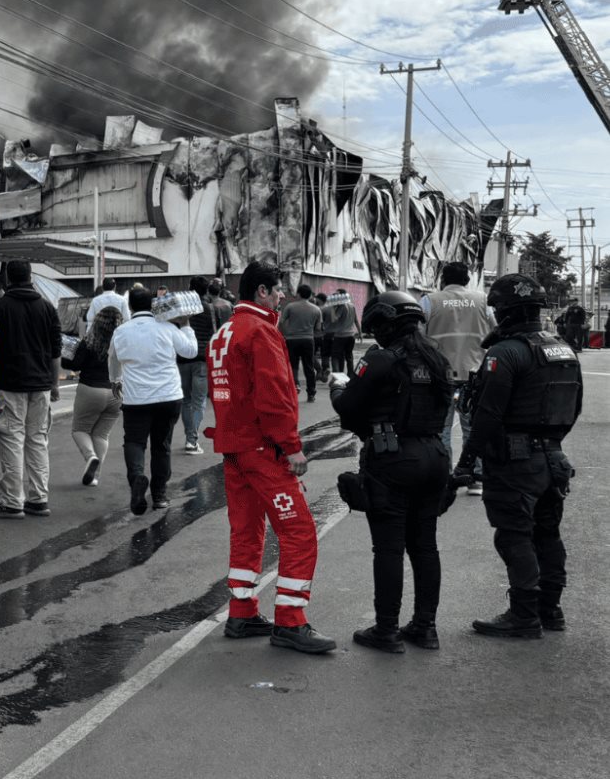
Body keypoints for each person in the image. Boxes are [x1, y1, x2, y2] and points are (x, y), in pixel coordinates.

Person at [207, 260, 335, 654]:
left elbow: (224, 393)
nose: (282, 295)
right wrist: (292, 446)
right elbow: (275, 393)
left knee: (247, 531)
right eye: (278, 289)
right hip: (262, 449)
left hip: (233, 448)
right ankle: (291, 622)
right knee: (298, 532)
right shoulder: (260, 331)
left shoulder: (223, 332)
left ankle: (242, 612)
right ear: (261, 291)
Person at [454, 274, 583, 638]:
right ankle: (550, 610)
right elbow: (574, 408)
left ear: (506, 312)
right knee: (547, 533)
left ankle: (524, 614)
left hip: (515, 461)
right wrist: (550, 443)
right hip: (553, 458)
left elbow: (488, 416)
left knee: (513, 535)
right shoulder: (563, 349)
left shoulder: (505, 352)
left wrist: (467, 463)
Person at [330, 291, 454, 652]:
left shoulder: (381, 360)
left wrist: (339, 390)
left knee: (388, 548)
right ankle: (425, 627)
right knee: (425, 546)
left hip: (393, 458)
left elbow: (349, 410)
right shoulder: (435, 357)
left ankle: (387, 630)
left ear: (385, 324)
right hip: (435, 455)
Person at [0, 260, 62, 520]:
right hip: (41, 386)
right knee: (38, 440)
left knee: (12, 440)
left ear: (8, 278)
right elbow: (56, 351)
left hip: (11, 385)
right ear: (30, 277)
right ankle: (39, 499)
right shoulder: (48, 308)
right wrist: (54, 384)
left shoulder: (1, 307)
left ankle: (12, 502)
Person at [110, 287, 196, 514]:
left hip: (136, 397)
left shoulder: (121, 332)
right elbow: (190, 351)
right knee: (162, 446)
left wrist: (115, 380)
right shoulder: (167, 327)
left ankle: (137, 477)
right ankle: (159, 495)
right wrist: (186, 324)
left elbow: (113, 360)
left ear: (130, 307)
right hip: (168, 396)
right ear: (152, 305)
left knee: (134, 442)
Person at [421, 261, 495, 496]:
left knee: (440, 429)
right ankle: (475, 478)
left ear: (443, 279)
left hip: (439, 375)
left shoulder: (429, 300)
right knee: (473, 428)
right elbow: (497, 331)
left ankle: (443, 478)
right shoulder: (483, 301)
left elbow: (418, 335)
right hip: (475, 375)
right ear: (467, 280)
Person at [62, 306, 124, 487]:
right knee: (102, 435)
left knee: (79, 430)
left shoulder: (88, 343)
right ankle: (95, 476)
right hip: (116, 392)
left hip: (90, 389)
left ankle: (90, 457)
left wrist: (65, 356)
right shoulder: (122, 342)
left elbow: (75, 364)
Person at [178, 277, 217, 454]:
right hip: (202, 358)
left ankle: (190, 438)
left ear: (189, 287)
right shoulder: (209, 307)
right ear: (206, 290)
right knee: (198, 401)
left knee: (185, 400)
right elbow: (214, 333)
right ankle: (192, 440)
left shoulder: (182, 307)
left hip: (183, 357)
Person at [279, 283, 324, 402]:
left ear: (298, 294)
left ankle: (295, 386)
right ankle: (311, 393)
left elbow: (282, 322)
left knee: (293, 365)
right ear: (310, 295)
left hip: (291, 340)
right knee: (308, 366)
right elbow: (318, 328)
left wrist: (285, 333)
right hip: (308, 340)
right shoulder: (316, 309)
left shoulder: (290, 307)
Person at [327, 291, 358, 376]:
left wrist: (333, 308)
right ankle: (350, 375)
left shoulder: (341, 306)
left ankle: (338, 377)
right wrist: (359, 332)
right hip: (351, 335)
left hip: (340, 336)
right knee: (349, 356)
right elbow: (356, 320)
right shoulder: (352, 305)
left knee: (335, 357)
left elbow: (334, 319)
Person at [313, 292, 332, 377]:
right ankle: (326, 369)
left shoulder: (317, 309)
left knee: (311, 354)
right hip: (327, 335)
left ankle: (319, 369)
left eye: (316, 298)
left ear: (319, 300)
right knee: (325, 354)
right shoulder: (330, 309)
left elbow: (316, 324)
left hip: (316, 335)